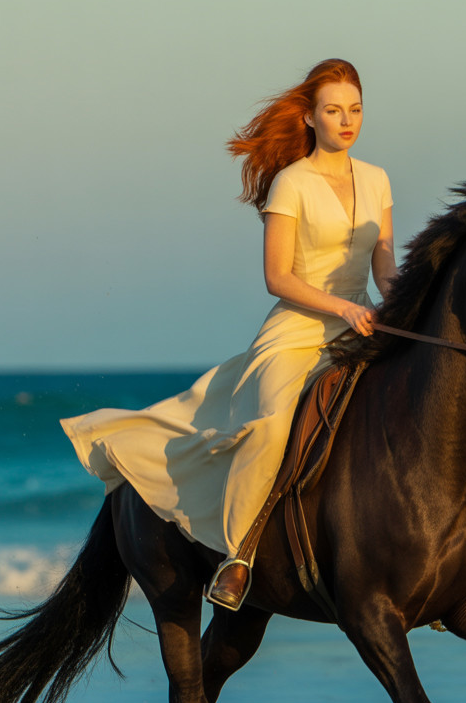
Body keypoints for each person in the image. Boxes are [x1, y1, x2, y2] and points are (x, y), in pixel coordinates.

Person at [61, 58, 397, 610]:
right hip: (298, 331)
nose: (346, 120)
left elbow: (384, 265)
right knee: (268, 429)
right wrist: (340, 305)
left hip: (361, 322)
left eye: (355, 110)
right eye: (333, 110)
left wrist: (403, 303)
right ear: (310, 118)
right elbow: (277, 277)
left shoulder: (378, 179)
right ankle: (239, 555)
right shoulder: (291, 183)